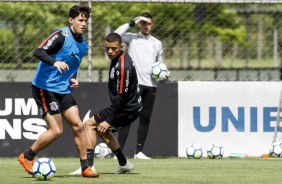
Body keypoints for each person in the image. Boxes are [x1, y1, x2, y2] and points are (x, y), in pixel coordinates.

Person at [17, 5, 98, 178]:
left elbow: (73, 66)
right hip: (44, 88)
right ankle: (27, 156)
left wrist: (73, 78)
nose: (84, 24)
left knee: (78, 125)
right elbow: (38, 51)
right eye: (80, 20)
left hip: (63, 89)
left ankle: (85, 167)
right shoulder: (61, 35)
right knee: (56, 131)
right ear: (71, 20)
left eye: (86, 20)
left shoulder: (83, 45)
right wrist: (54, 62)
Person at [70, 32, 142, 175]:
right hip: (125, 106)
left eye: (113, 48)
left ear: (121, 47)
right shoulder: (117, 58)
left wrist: (108, 121)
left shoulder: (123, 66)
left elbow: (122, 96)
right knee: (100, 129)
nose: (109, 51)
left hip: (127, 108)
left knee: (89, 125)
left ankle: (88, 167)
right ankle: (124, 163)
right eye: (107, 48)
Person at [114, 12, 169, 159]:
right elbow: (115, 35)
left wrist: (163, 76)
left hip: (151, 86)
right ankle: (117, 152)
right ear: (140, 24)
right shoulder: (132, 38)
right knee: (127, 117)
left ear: (152, 24)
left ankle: (139, 152)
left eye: (149, 23)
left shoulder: (157, 43)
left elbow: (160, 65)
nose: (146, 26)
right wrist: (132, 21)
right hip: (134, 84)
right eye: (144, 23)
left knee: (145, 118)